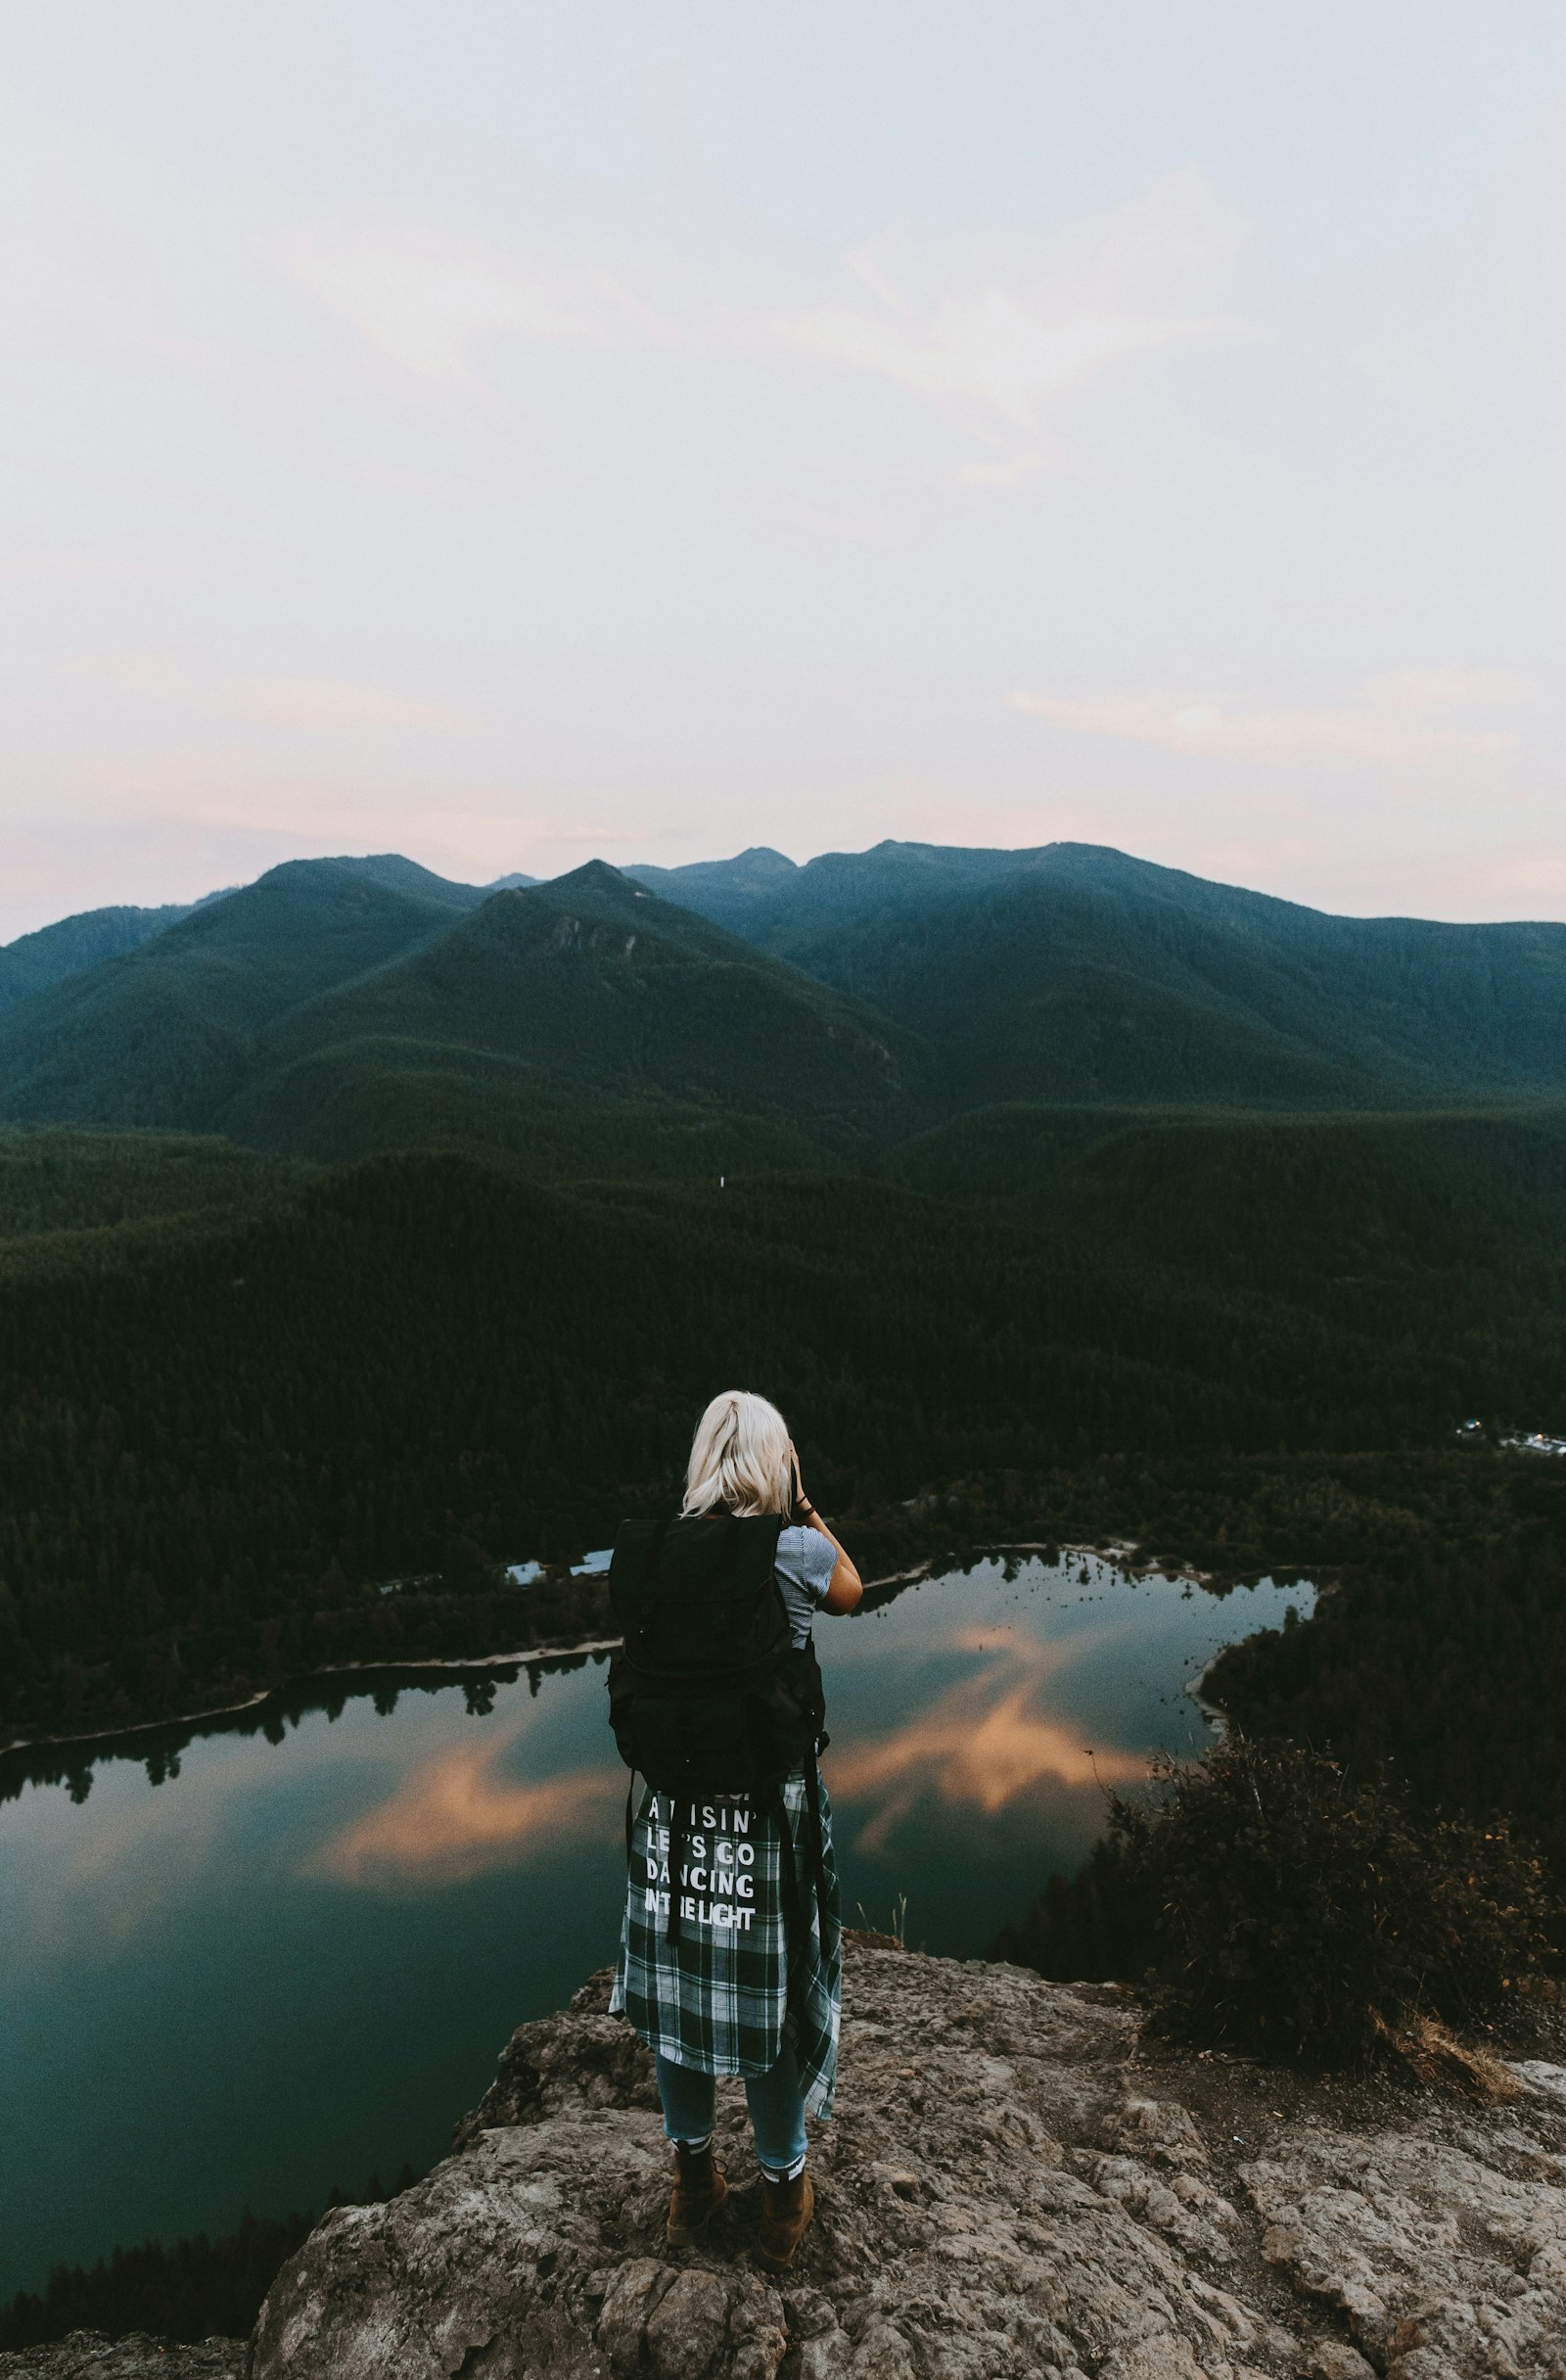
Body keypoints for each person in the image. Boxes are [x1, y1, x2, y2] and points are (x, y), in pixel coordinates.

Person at [608, 1389, 862, 2271]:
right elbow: (853, 1589)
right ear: (774, 1460)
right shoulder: (792, 1546)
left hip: (674, 1812)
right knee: (769, 2001)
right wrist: (806, 1504)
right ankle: (784, 2194)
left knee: (681, 1994)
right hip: (766, 1811)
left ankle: (690, 2184)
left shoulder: (650, 1553)